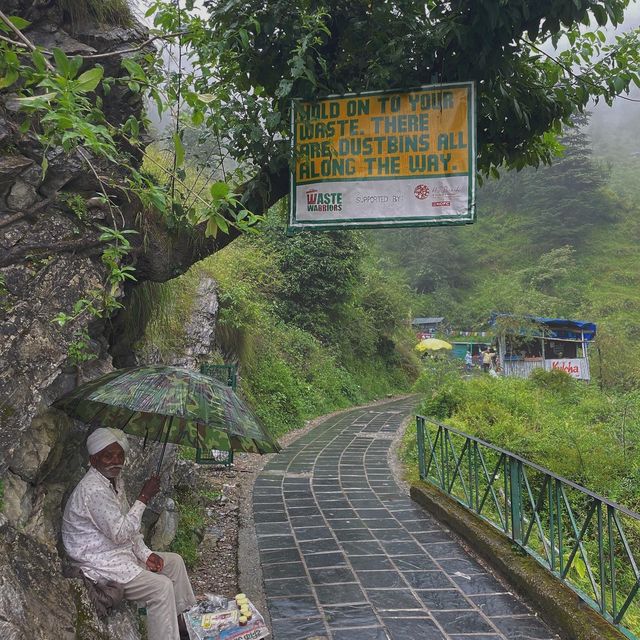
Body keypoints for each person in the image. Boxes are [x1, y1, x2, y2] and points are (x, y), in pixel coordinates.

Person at [62, 427, 196, 640]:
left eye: (120, 455)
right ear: (94, 458)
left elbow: (128, 526)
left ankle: (186, 623)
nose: (115, 461)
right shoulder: (93, 490)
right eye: (108, 456)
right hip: (101, 564)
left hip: (120, 554)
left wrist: (145, 554)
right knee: (160, 588)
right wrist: (144, 497)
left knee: (174, 563)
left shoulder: (114, 482)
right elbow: (121, 532)